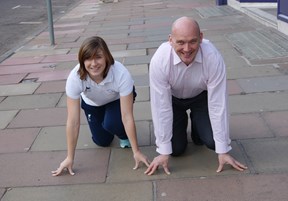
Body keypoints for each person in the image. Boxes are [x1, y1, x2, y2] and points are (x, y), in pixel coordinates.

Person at [145, 16, 247, 175]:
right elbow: (161, 107)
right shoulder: (159, 60)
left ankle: (197, 123)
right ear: (170, 40)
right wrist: (163, 151)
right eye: (180, 42)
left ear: (201, 37)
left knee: (213, 142)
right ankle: (182, 122)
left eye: (192, 41)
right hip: (173, 101)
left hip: (201, 98)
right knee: (176, 149)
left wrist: (223, 151)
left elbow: (218, 103)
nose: (187, 49)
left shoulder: (213, 57)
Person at [52, 36, 149, 176]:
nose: (93, 63)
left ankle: (123, 135)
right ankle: (106, 123)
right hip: (93, 105)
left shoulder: (120, 74)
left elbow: (127, 116)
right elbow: (73, 122)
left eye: (98, 57)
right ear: (82, 60)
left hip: (116, 100)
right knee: (102, 141)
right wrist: (69, 157)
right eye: (88, 58)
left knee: (112, 123)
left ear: (107, 57)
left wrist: (137, 151)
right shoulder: (75, 77)